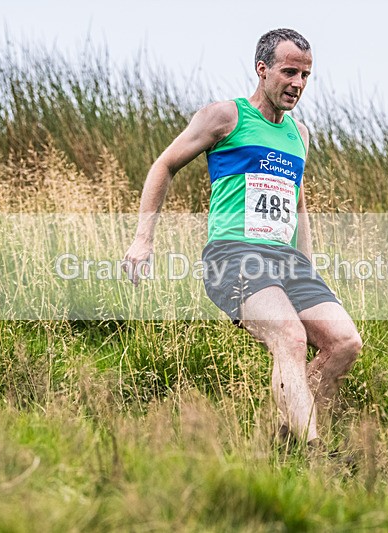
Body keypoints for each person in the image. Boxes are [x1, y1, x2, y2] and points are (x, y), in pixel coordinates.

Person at [123, 28, 362, 448]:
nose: (298, 84)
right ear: (262, 68)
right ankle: (313, 453)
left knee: (344, 343)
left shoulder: (299, 134)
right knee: (290, 338)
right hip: (234, 255)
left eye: (306, 75)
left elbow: (297, 201)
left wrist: (308, 262)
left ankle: (287, 431)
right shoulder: (224, 116)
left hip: (287, 261)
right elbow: (164, 165)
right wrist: (144, 239)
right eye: (289, 72)